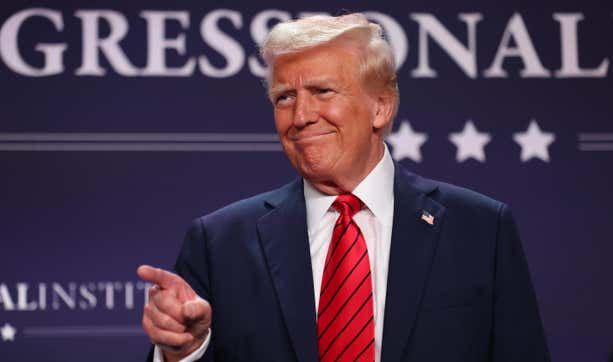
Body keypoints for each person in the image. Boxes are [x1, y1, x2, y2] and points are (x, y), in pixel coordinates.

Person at [137, 13, 550, 362]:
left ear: (380, 107)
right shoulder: (220, 242)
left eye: (322, 91)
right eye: (284, 97)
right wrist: (185, 351)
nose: (300, 116)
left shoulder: (480, 229)